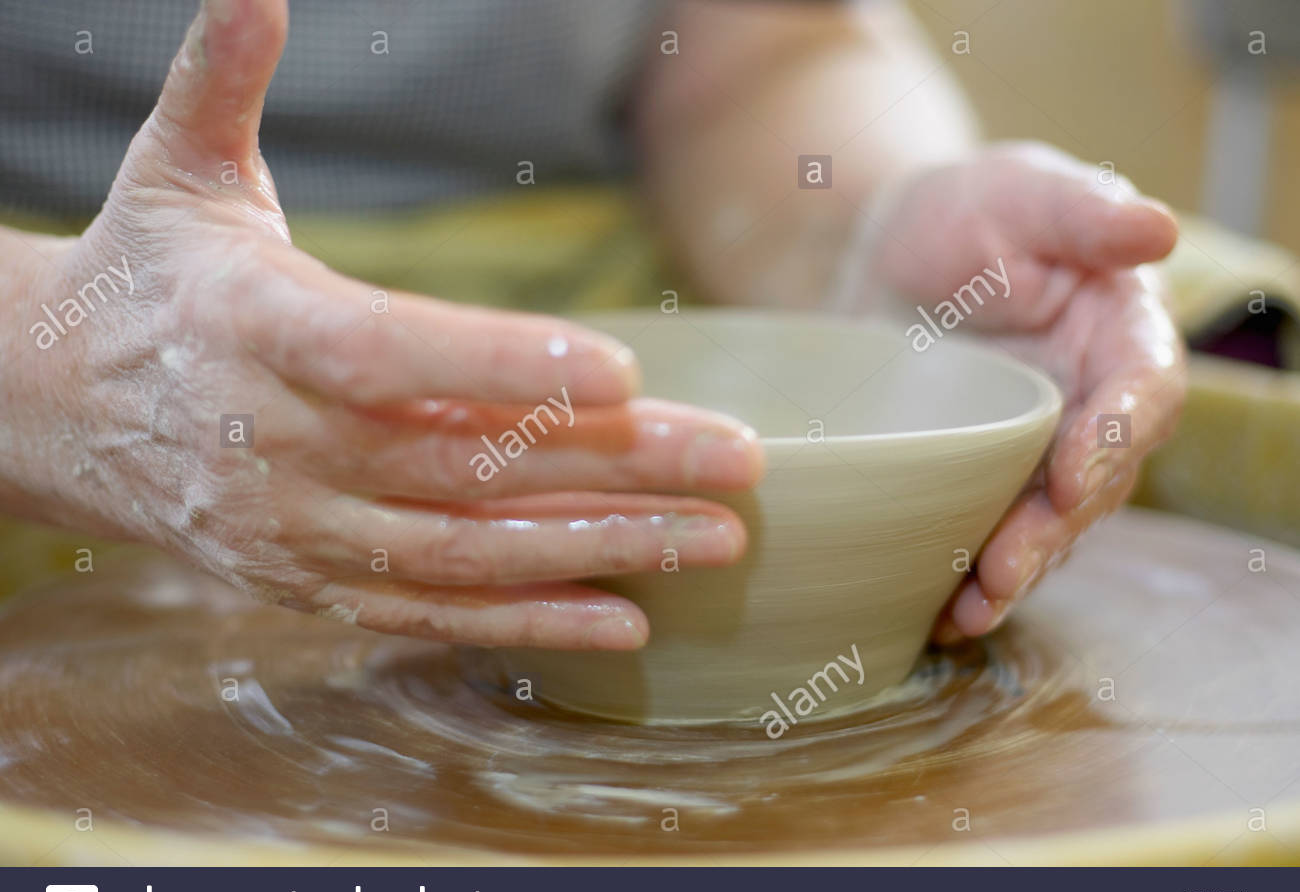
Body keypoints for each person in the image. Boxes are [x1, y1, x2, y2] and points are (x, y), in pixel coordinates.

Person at [0, 0, 1184, 649]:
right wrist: (56, 364)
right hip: (71, 270)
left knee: (1203, 303)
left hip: (598, 250)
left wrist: (871, 236)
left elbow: (766, 39)